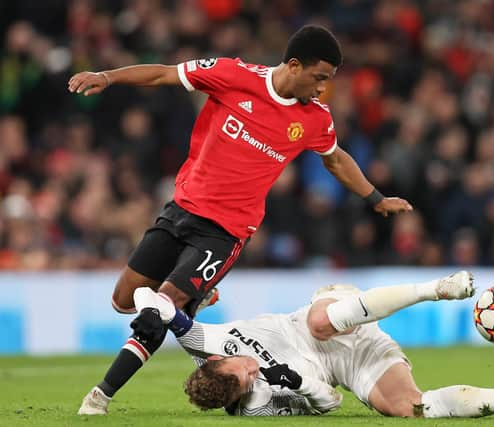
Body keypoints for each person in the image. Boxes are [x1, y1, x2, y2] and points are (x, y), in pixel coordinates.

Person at [71, 25, 413, 415]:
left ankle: (101, 395)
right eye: (319, 78)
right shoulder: (233, 76)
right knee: (124, 300)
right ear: (294, 65)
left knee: (160, 308)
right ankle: (197, 295)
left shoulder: (315, 119)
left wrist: (376, 197)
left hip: (225, 232)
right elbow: (165, 73)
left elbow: (335, 159)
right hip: (180, 209)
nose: (322, 89)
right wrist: (107, 77)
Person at [117, 271, 494, 420]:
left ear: (216, 360)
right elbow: (329, 404)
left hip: (335, 308)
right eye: (248, 381)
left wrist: (149, 312)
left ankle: (436, 288)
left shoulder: (205, 341)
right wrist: (301, 383)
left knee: (320, 322)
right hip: (350, 361)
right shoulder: (255, 403)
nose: (253, 371)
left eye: (242, 367)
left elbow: (152, 301)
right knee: (406, 408)